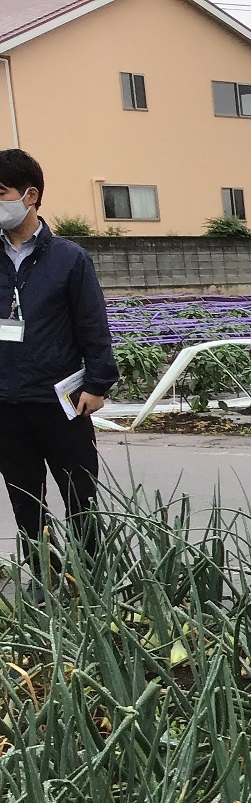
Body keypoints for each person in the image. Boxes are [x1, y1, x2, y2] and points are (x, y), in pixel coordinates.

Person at [0, 148, 118, 585]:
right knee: (24, 498)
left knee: (79, 494)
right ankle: (47, 581)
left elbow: (92, 322)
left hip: (61, 399)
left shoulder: (68, 258)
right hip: (6, 401)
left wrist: (98, 381)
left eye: (2, 192)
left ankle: (90, 579)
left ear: (30, 196)